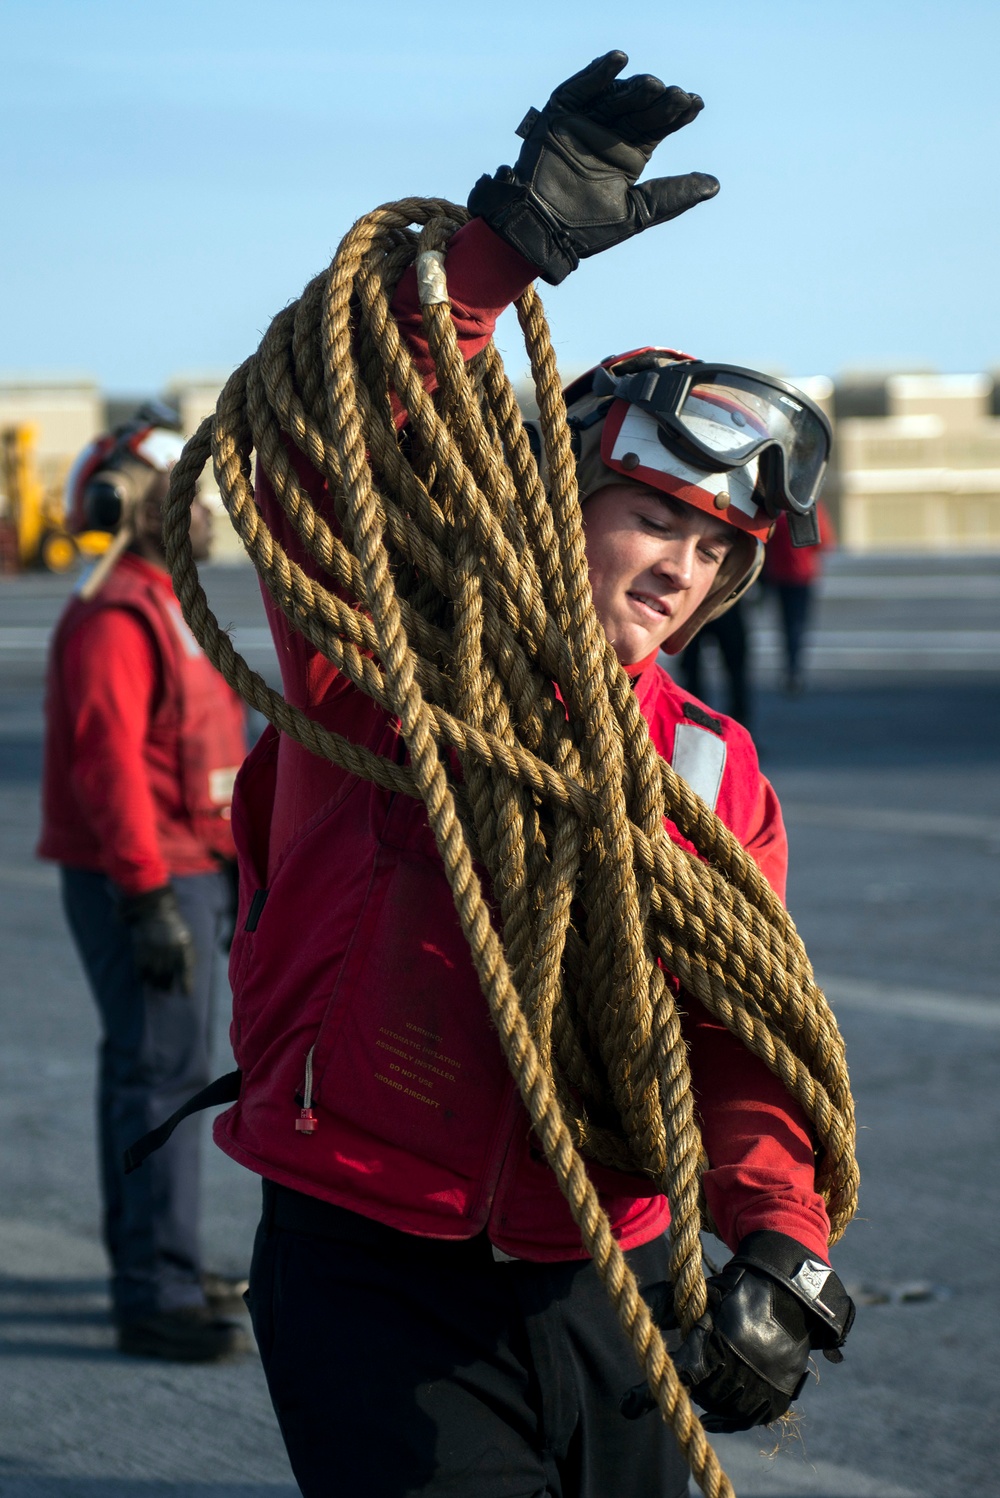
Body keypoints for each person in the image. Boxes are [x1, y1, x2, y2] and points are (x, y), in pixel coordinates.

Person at [198, 53, 855, 1495]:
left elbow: (741, 1030)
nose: (681, 566)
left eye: (715, 549)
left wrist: (776, 1229)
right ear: (566, 495)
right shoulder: (392, 675)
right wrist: (495, 260)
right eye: (652, 516)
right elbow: (336, 450)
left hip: (606, 1275)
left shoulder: (709, 764)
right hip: (373, 1265)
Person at [37, 415, 249, 1361]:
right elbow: (109, 768)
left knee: (165, 1073)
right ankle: (152, 1293)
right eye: (186, 493)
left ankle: (162, 1256)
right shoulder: (116, 611)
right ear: (133, 502)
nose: (203, 511)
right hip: (149, 880)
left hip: (196, 868)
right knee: (155, 1080)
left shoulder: (175, 600)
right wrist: (147, 895)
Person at [762, 500, 836, 694]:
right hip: (802, 574)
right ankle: (794, 667)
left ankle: (791, 666)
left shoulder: (777, 509)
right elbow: (824, 542)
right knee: (798, 624)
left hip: (780, 574)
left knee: (787, 623)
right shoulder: (810, 507)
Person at [677, 594, 753, 727]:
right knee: (692, 667)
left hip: (707, 603)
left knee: (735, 668)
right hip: (716, 602)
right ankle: (694, 720)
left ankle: (737, 722)